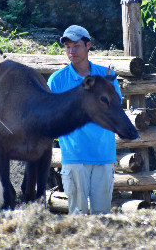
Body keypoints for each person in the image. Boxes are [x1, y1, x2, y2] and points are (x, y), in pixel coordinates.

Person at [47, 25, 122, 215]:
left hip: (103, 155)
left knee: (102, 217)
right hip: (74, 156)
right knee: (77, 218)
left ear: (88, 45)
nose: (71, 51)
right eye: (67, 46)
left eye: (76, 46)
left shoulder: (106, 76)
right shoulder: (56, 80)